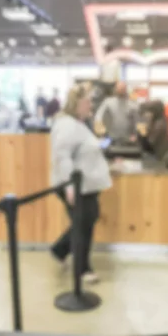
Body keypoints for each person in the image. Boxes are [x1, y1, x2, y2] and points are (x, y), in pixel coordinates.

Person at [50, 83, 112, 284]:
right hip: (76, 186)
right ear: (76, 104)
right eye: (87, 101)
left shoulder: (79, 123)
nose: (90, 105)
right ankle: (82, 269)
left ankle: (60, 250)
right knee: (82, 227)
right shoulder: (67, 125)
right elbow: (63, 157)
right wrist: (69, 187)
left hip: (86, 185)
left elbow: (84, 149)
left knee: (86, 221)